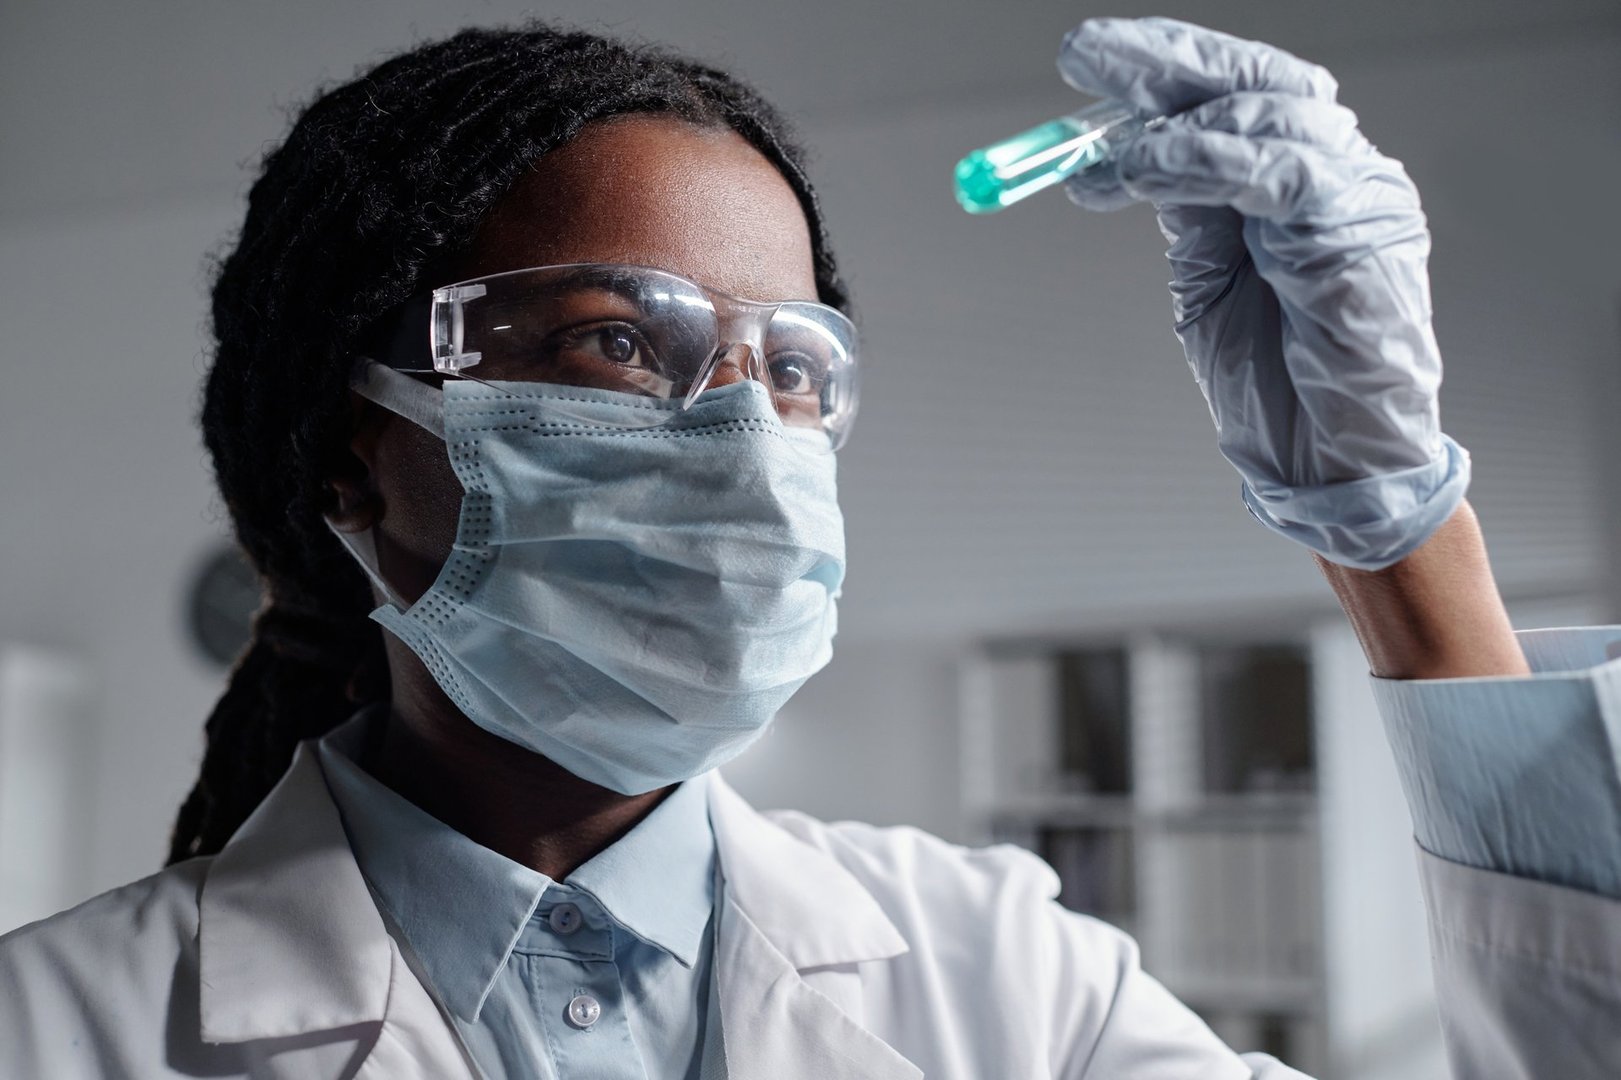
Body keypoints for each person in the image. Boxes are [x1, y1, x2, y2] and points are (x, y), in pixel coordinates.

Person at [0, 15, 1616, 1079]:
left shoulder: (999, 979)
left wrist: (1393, 528)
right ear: (355, 452)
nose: (743, 438)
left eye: (790, 369)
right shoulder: (59, 1031)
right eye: (614, 346)